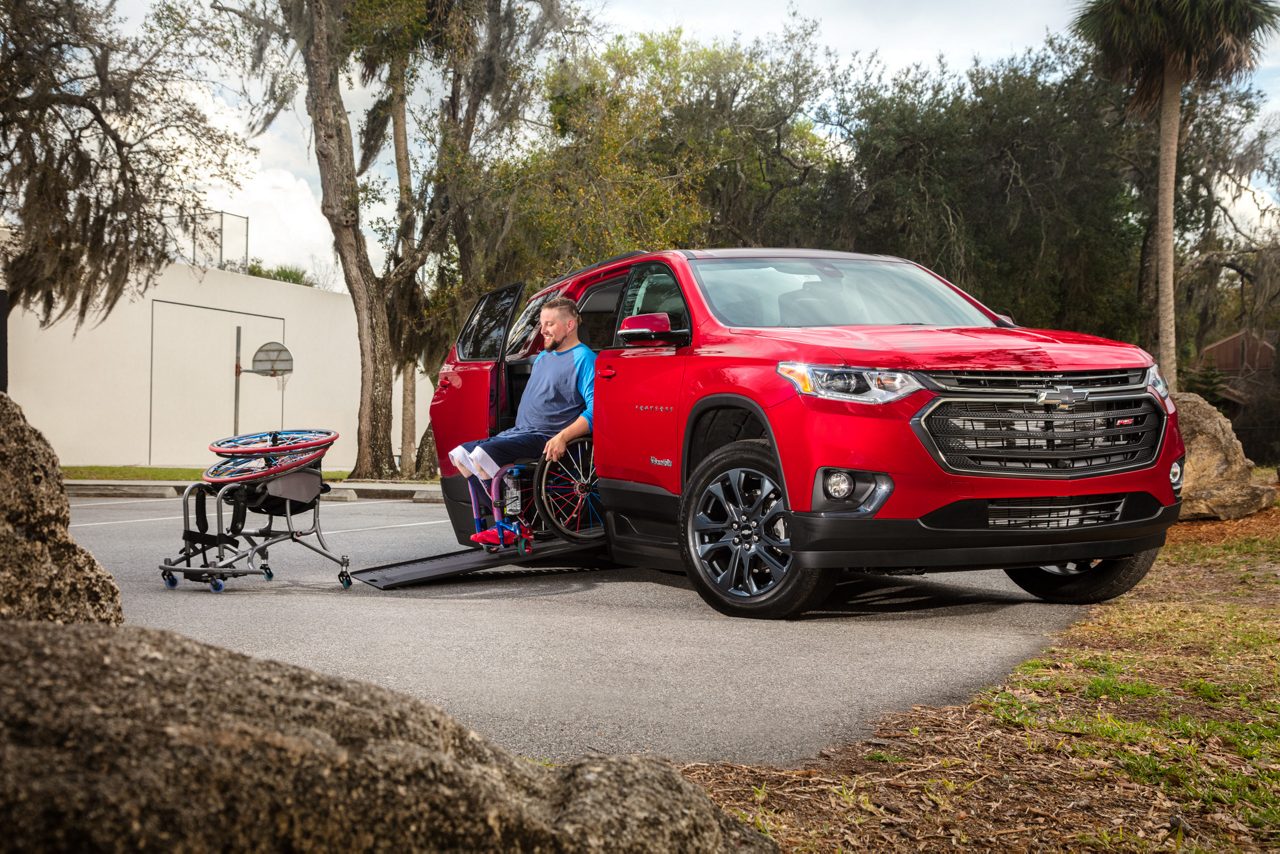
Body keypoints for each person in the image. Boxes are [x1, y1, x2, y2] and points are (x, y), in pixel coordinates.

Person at [447, 297, 595, 545]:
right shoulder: (542, 359)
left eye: (549, 324)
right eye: (541, 323)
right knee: (460, 455)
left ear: (569, 326)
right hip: (520, 431)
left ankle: (516, 524)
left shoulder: (584, 358)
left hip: (546, 436)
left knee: (482, 456)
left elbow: (594, 411)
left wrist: (563, 437)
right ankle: (503, 520)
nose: (543, 330)